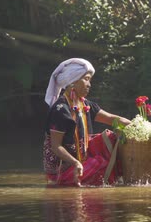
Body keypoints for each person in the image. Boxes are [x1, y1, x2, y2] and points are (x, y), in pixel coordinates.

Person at [43, 58, 131, 186]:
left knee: (112, 137)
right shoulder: (60, 110)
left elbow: (112, 119)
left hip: (80, 158)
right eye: (86, 79)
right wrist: (76, 163)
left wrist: (139, 127)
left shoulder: (85, 105)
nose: (89, 84)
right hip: (63, 167)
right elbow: (56, 147)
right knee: (99, 164)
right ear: (72, 82)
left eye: (90, 80)